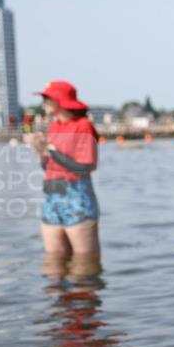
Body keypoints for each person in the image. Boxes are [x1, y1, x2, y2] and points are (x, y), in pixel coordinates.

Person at [24, 81, 101, 257]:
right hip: (52, 195)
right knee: (53, 263)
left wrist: (51, 150)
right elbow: (48, 167)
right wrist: (41, 151)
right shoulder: (54, 126)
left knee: (85, 263)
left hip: (76, 196)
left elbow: (86, 167)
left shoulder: (83, 125)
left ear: (60, 100)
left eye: (47, 98)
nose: (43, 102)